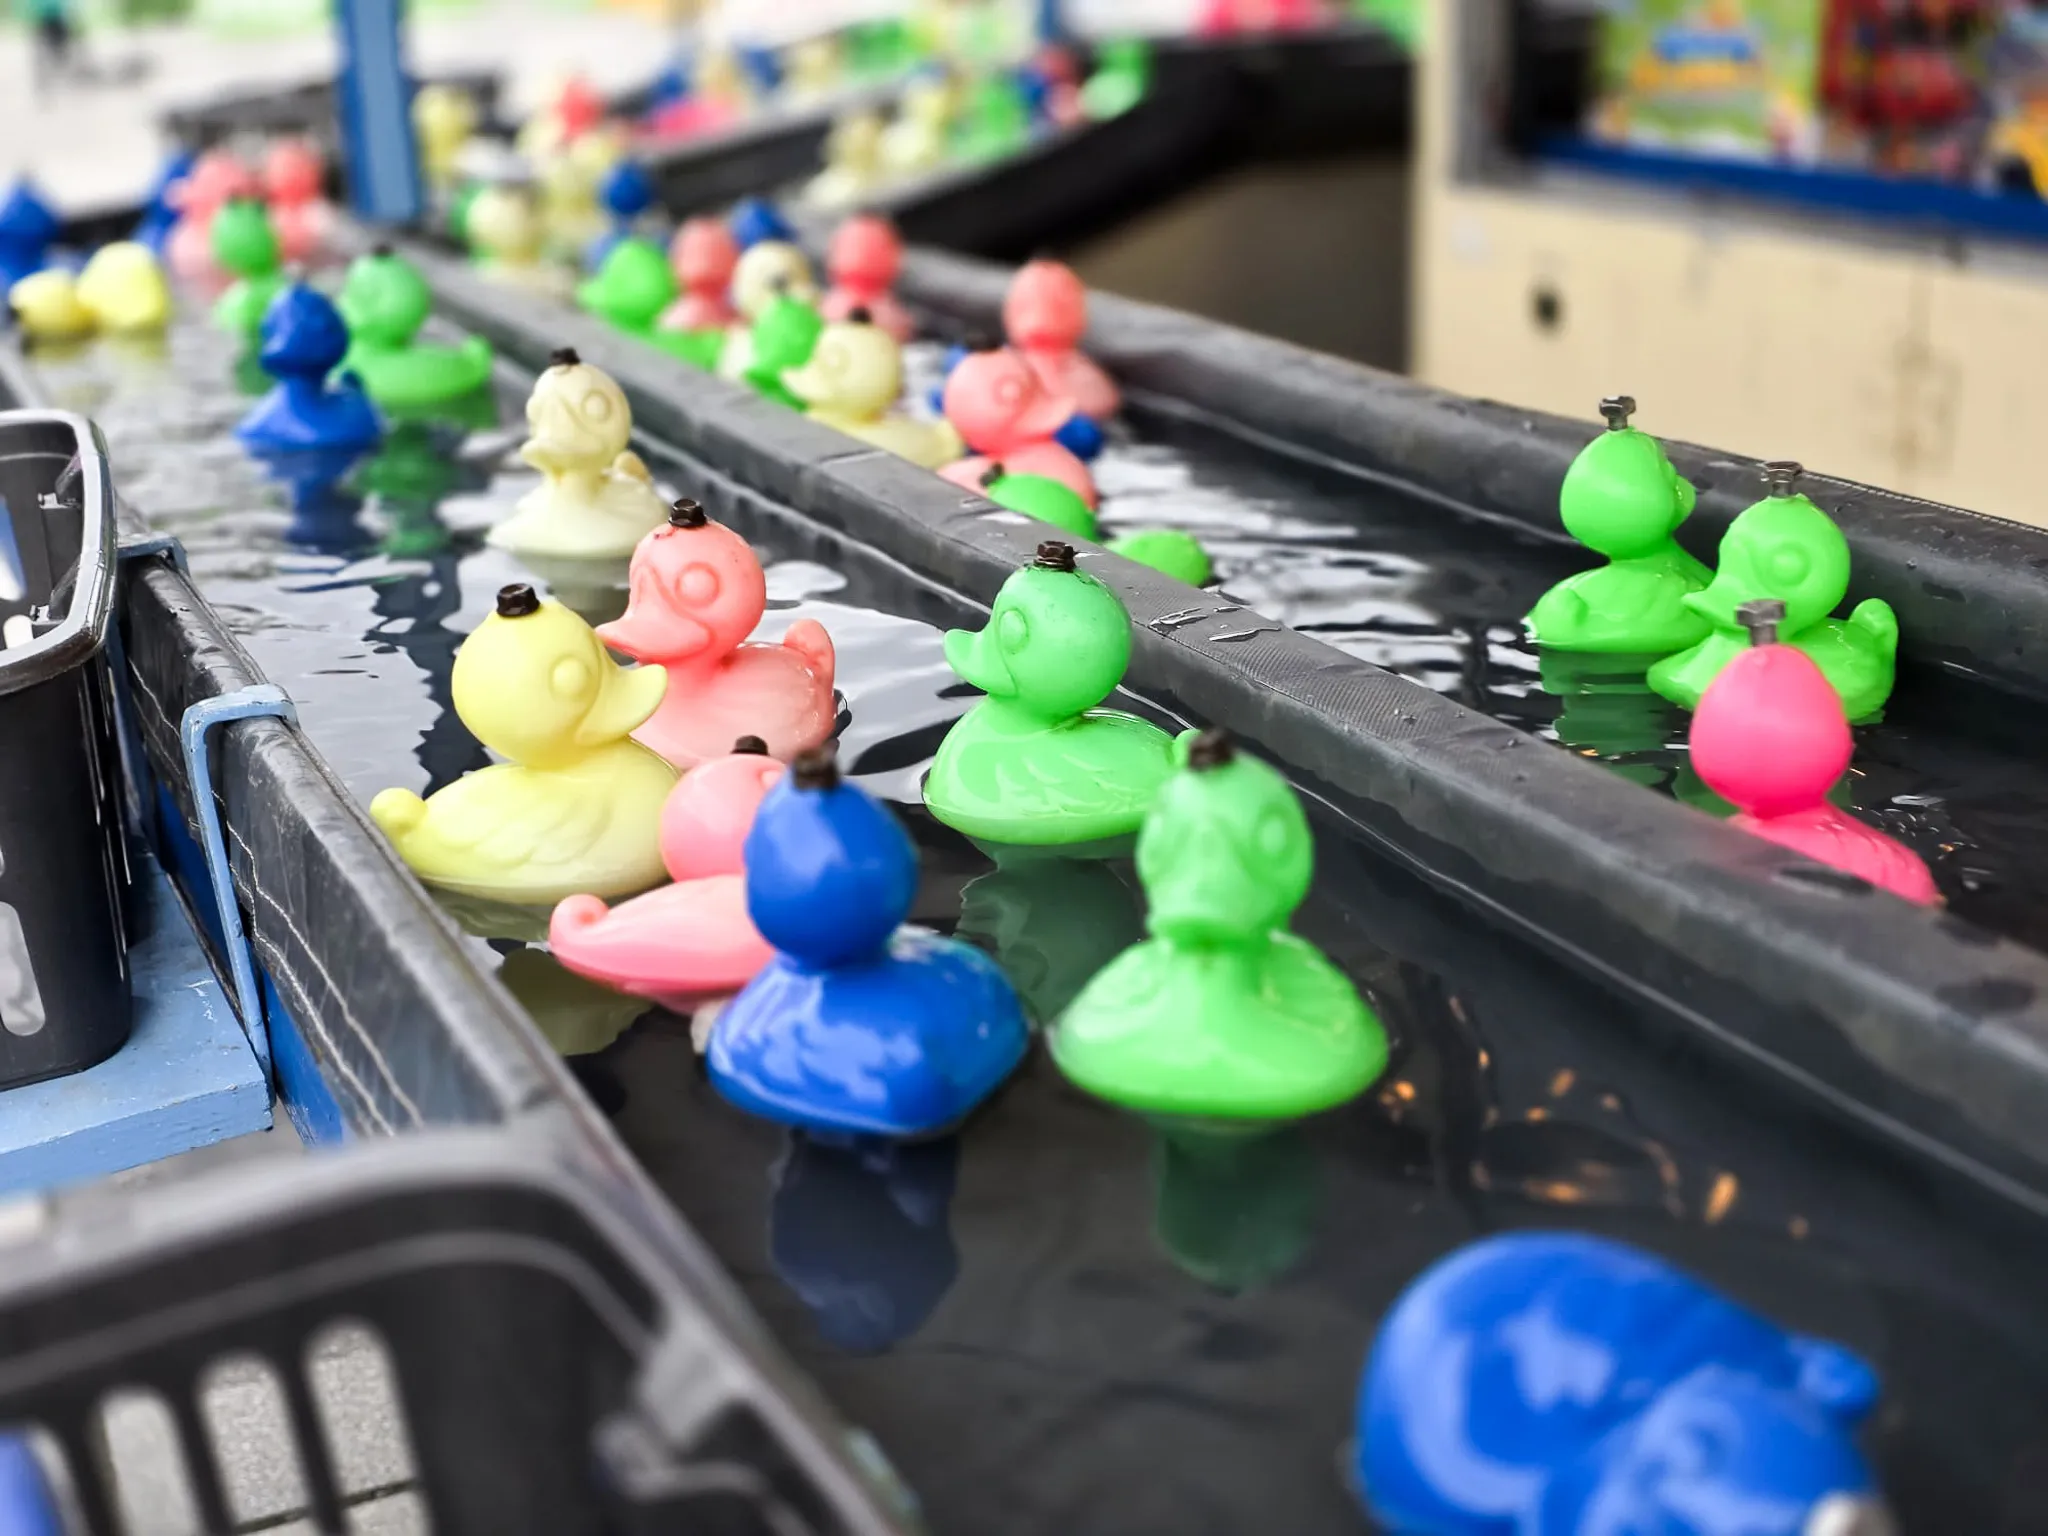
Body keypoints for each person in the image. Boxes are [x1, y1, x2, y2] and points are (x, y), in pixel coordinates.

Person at [25, 0, 74, 99]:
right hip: (44, 18)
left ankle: (54, 78)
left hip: (56, 18)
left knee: (58, 52)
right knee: (44, 52)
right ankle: (45, 81)